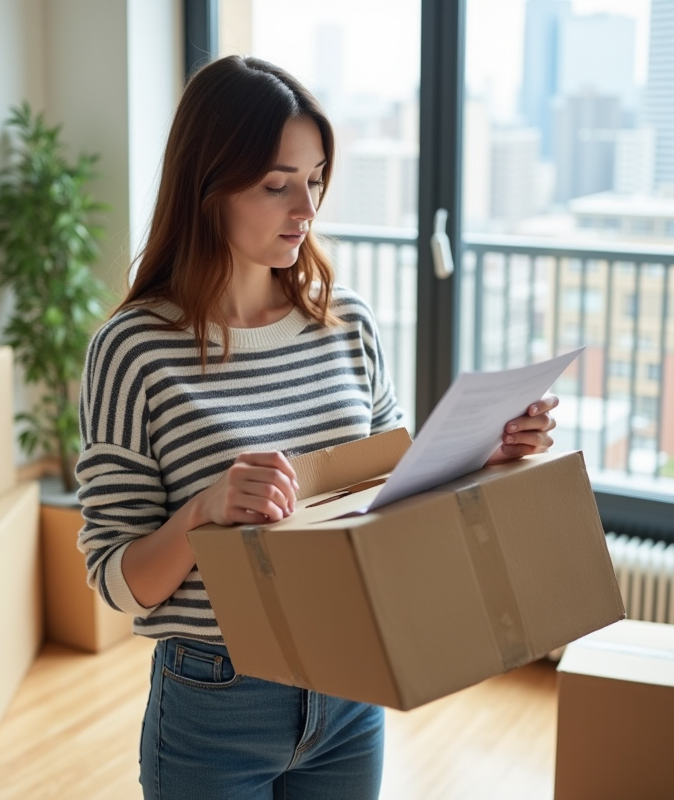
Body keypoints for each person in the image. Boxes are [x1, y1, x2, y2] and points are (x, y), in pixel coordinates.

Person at [76, 55, 559, 800]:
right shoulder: (133, 349)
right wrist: (204, 508)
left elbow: (389, 502)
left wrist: (481, 456)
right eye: (277, 185)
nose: (306, 208)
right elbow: (115, 581)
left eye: (316, 180)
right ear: (207, 187)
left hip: (351, 686)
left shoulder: (347, 326)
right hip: (215, 704)